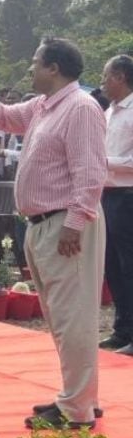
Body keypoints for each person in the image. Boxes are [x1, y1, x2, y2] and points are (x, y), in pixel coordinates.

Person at [0, 39, 108, 429]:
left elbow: (90, 172)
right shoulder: (45, 105)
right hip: (43, 223)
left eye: (34, 62)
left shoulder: (81, 108)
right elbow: (8, 116)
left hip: (65, 223)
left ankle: (76, 410)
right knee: (61, 317)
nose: (29, 68)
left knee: (73, 319)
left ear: (54, 68)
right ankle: (80, 397)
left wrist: (74, 223)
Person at [97, 55, 133, 354]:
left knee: (129, 264)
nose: (102, 82)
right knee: (112, 265)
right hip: (107, 194)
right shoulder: (109, 112)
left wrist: (103, 162)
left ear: (120, 77)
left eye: (106, 76)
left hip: (128, 195)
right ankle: (122, 330)